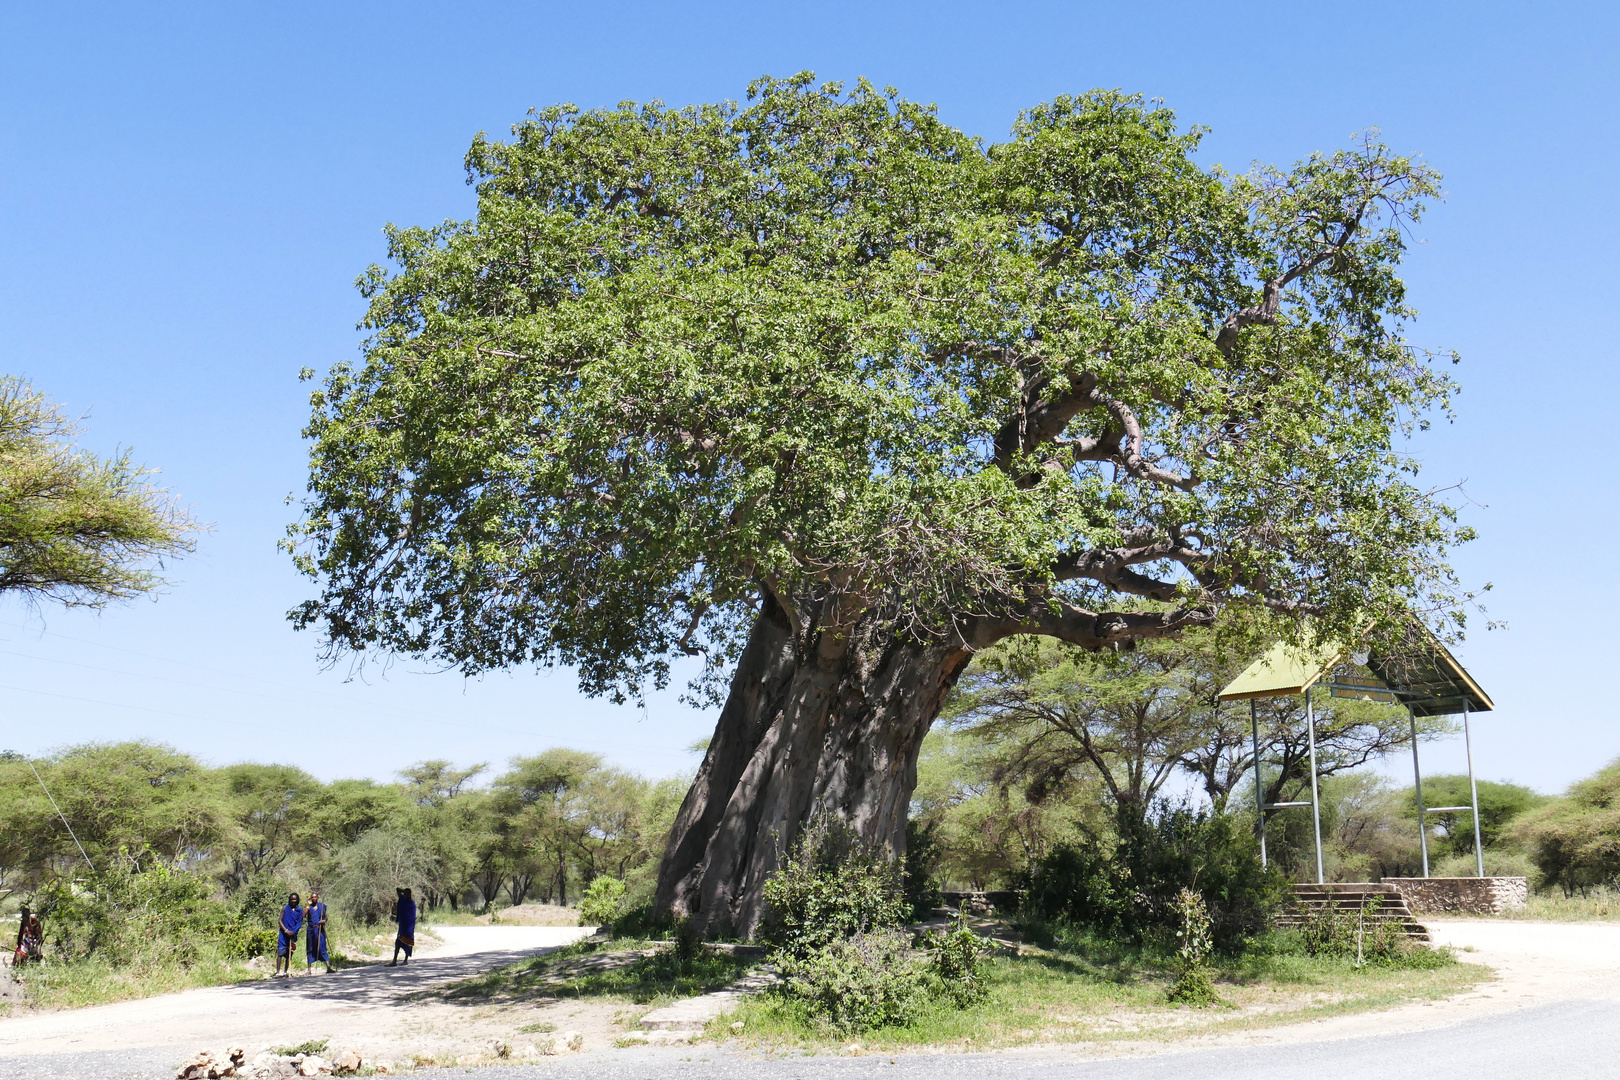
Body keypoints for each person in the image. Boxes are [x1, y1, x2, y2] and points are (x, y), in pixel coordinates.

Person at [275, 892, 302, 978]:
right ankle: (278, 972)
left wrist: (293, 932)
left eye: (295, 899)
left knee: (289, 954)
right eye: (291, 899)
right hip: (283, 934)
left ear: (297, 900)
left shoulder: (299, 910)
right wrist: (286, 930)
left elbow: (299, 923)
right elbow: (280, 921)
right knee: (280, 952)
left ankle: (285, 972)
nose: (293, 901)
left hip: (292, 934)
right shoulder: (285, 908)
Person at [304, 890, 331, 974]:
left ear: (318, 898)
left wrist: (323, 921)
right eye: (312, 897)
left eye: (315, 897)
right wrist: (307, 905)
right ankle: (309, 970)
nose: (314, 898)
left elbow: (326, 917)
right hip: (311, 930)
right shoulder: (309, 907)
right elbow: (303, 915)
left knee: (322, 947)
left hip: (320, 929)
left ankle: (328, 967)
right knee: (310, 948)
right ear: (310, 898)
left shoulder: (322, 906)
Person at [389, 887, 416, 966]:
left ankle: (405, 960)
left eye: (408, 894)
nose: (406, 895)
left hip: (409, 927)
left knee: (408, 943)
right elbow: (397, 889)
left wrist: (405, 892)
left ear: (410, 895)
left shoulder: (412, 904)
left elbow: (412, 916)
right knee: (398, 943)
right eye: (405, 894)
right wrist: (404, 891)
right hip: (402, 926)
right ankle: (394, 960)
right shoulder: (402, 900)